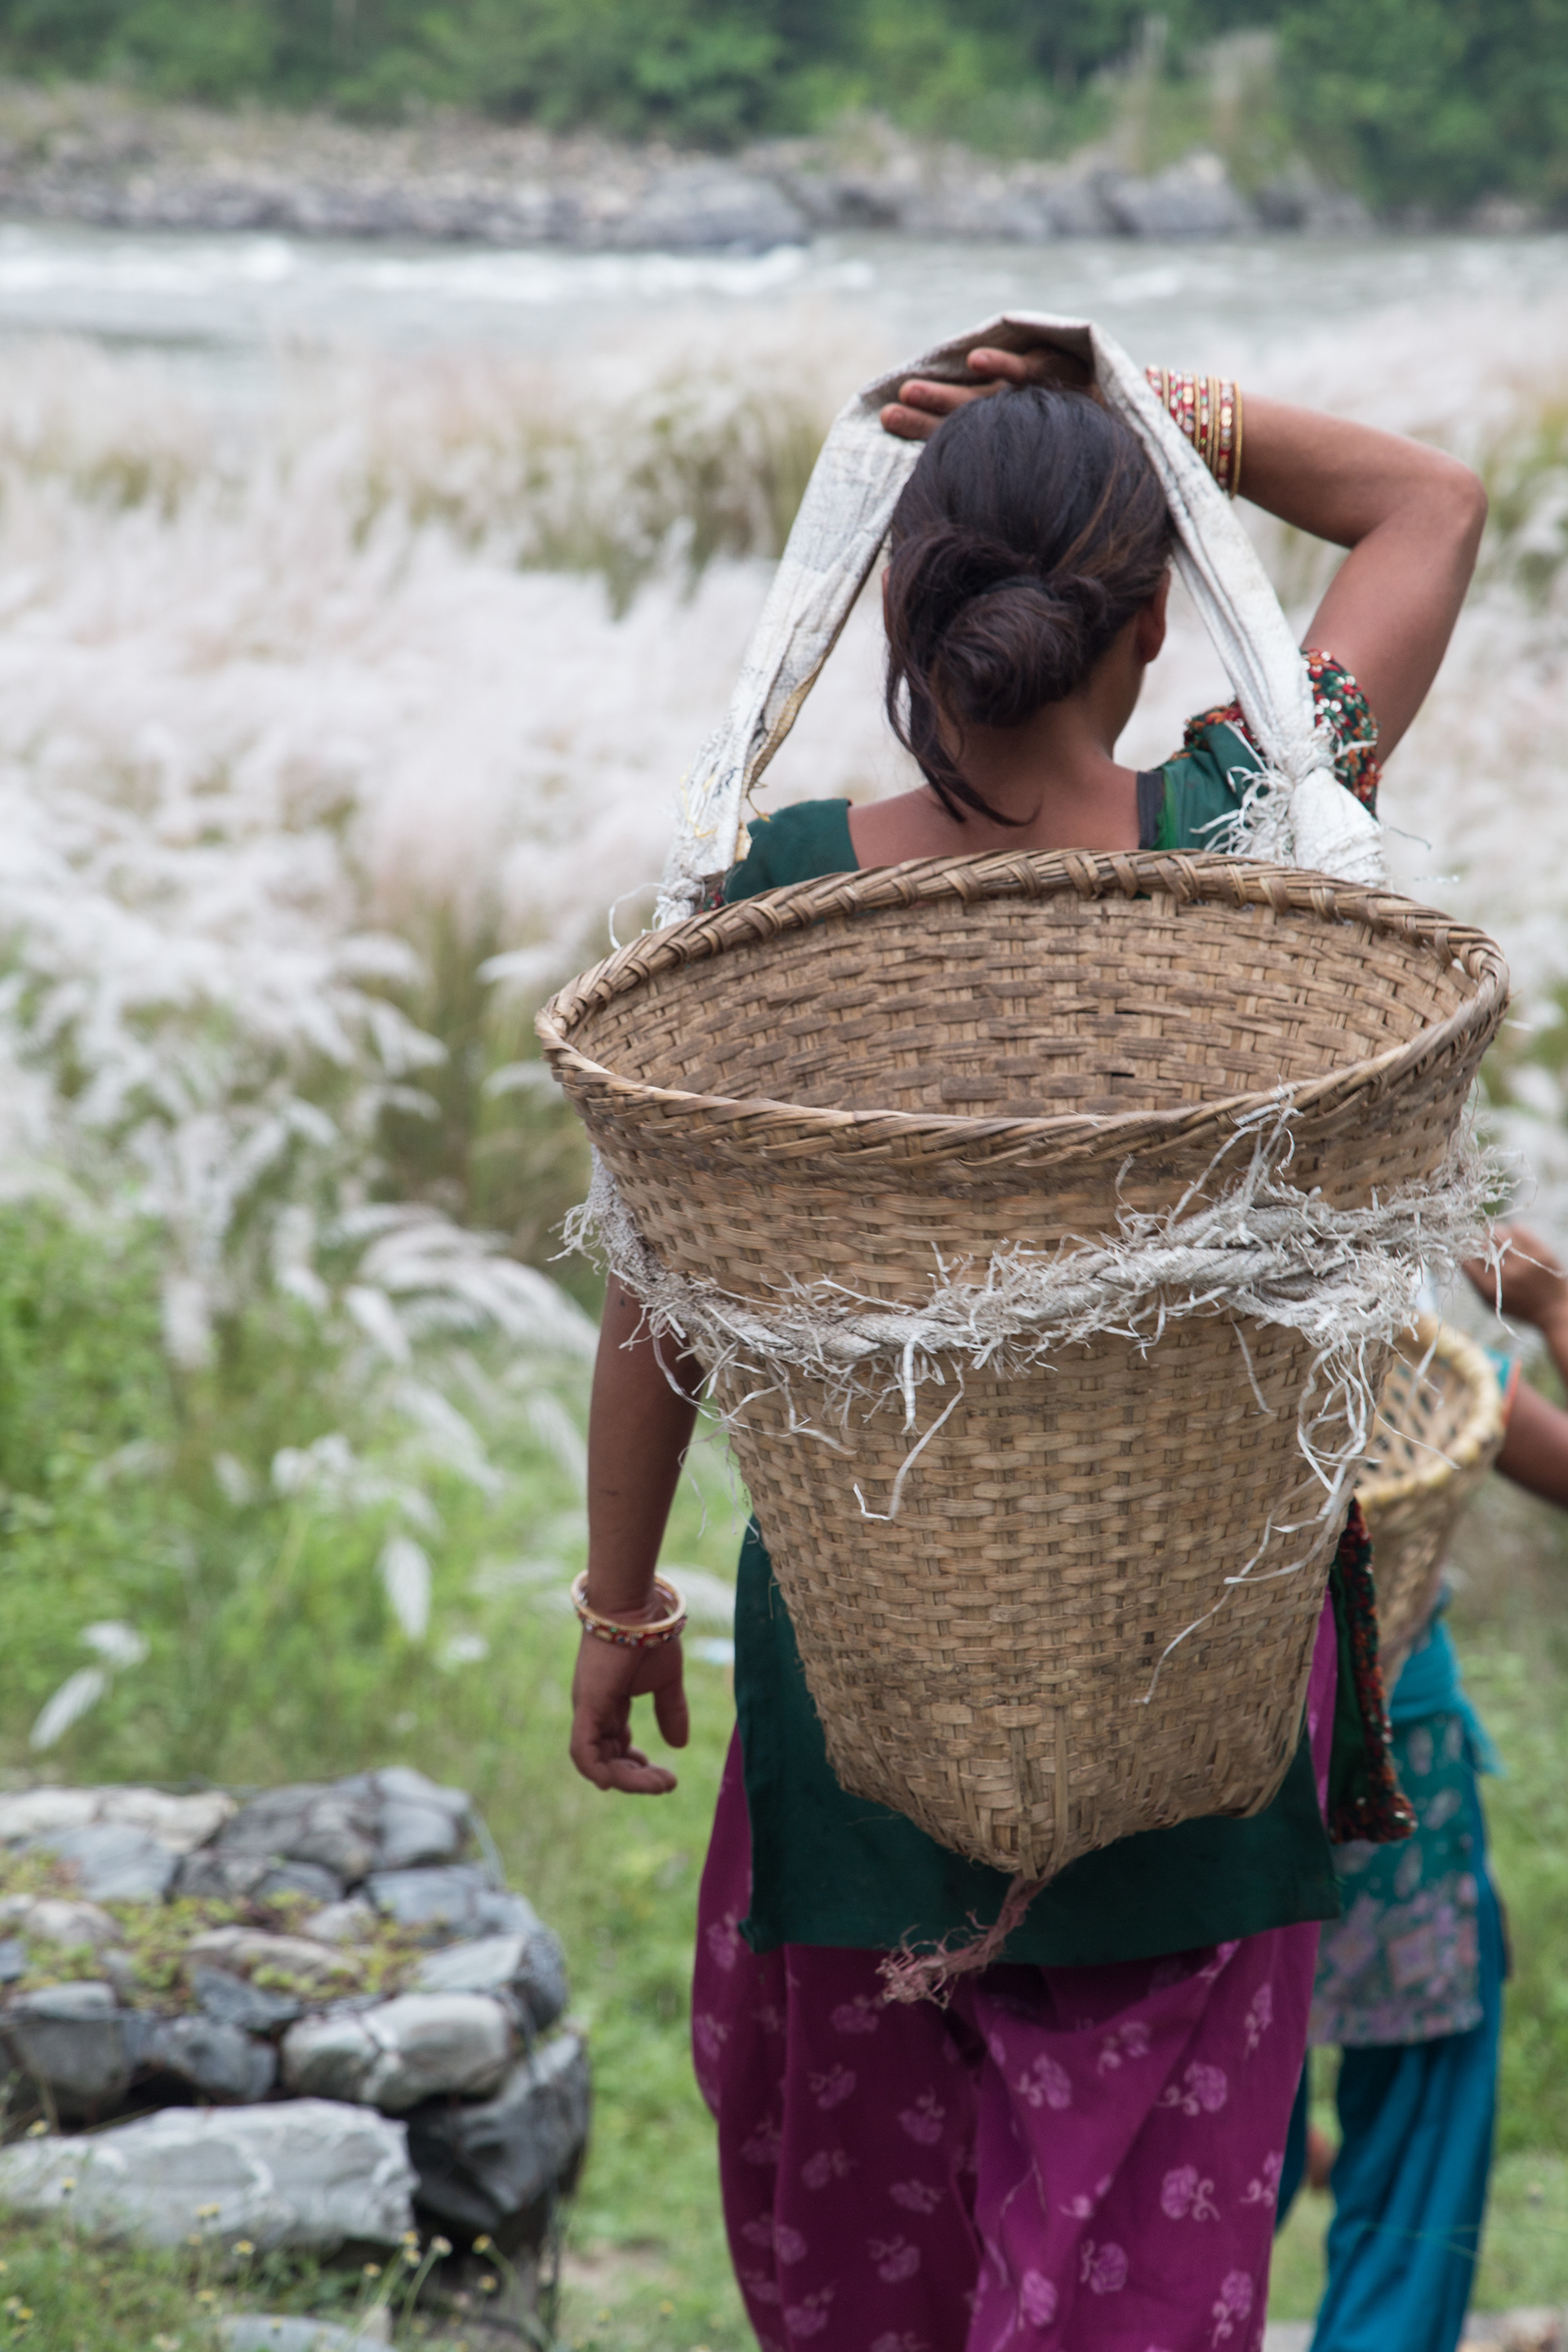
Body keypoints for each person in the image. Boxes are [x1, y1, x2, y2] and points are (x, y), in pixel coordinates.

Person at [568, 341, 1488, 2349]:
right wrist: (1155, 398)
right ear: (1152, 621)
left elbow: (667, 1281)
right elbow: (1429, 503)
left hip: (864, 1725)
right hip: (1204, 1707)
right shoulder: (1251, 835)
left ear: (904, 610)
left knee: (864, 2296)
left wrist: (618, 1595)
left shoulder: (769, 902)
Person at [1276, 1222, 1568, 2351]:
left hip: (1211, 1782)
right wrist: (1550, 1311)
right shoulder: (1413, 1375)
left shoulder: (1133, 1368)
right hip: (1393, 1766)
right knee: (1420, 2120)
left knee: (1203, 2134)